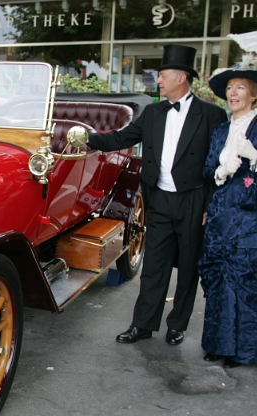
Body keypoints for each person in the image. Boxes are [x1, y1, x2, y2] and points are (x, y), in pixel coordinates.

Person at [87, 45, 228, 346]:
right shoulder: (152, 112)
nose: (158, 82)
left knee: (189, 266)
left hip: (193, 199)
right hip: (160, 198)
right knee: (154, 266)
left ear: (181, 78)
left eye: (163, 76)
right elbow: (122, 137)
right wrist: (87, 139)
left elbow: (219, 161)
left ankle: (177, 324)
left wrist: (211, 204)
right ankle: (143, 324)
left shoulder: (211, 114)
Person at [198, 55, 257, 369]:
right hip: (222, 215)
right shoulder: (222, 131)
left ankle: (244, 350)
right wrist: (222, 170)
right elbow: (208, 170)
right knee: (221, 281)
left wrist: (254, 155)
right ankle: (218, 344)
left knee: (247, 282)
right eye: (230, 88)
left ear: (256, 94)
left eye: (241, 88)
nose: (233, 93)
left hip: (254, 219)